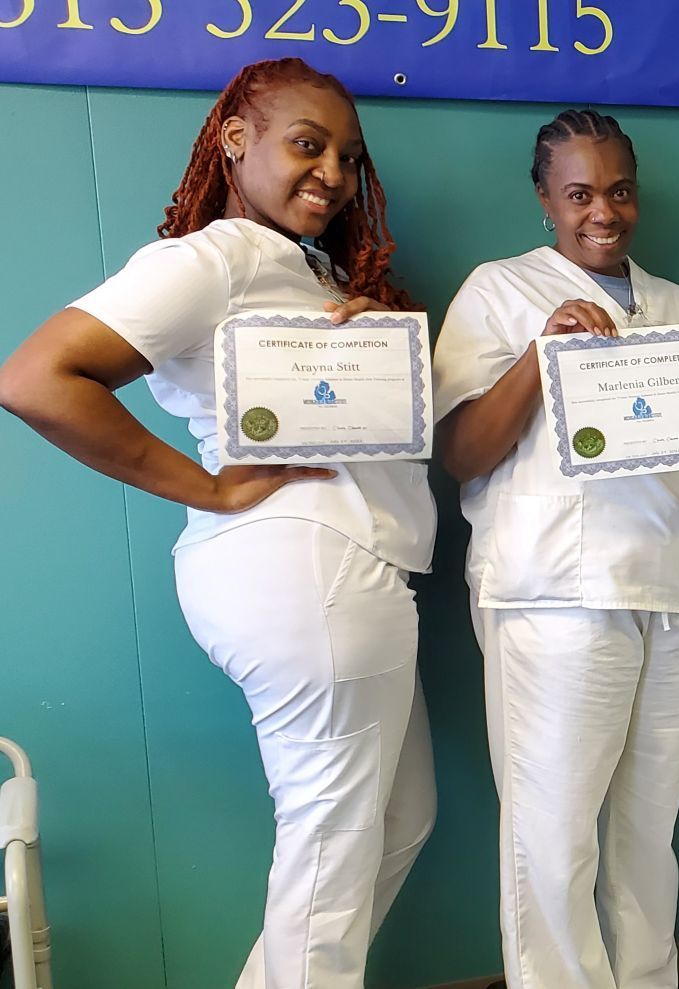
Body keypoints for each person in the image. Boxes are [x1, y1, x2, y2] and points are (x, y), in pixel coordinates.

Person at [0, 58, 436, 989]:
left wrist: (369, 348)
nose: (332, 174)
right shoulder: (214, 255)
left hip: (348, 558)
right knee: (334, 842)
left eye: (349, 159)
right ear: (236, 139)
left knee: (393, 823)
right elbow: (37, 378)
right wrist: (211, 486)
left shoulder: (299, 267)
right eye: (306, 145)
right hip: (305, 563)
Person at [431, 109, 679, 989]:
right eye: (578, 193)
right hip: (556, 594)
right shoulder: (498, 291)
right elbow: (460, 452)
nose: (600, 211)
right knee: (553, 830)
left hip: (674, 588)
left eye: (616, 190)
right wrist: (542, 352)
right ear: (544, 200)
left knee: (648, 830)